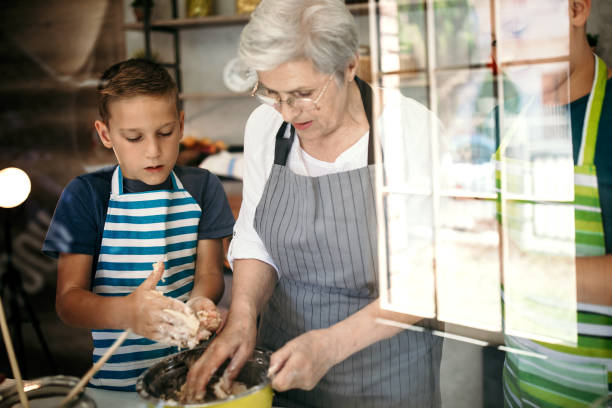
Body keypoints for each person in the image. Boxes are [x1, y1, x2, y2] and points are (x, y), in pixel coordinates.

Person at [182, 0, 443, 407]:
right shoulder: (265, 126)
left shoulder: (411, 130)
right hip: (279, 362)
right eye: (272, 93)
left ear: (350, 66)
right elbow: (254, 237)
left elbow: (439, 271)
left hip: (387, 371)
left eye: (303, 94)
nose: (287, 112)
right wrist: (243, 315)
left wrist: (332, 345)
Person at [42, 59, 235, 391]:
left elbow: (209, 274)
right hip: (118, 385)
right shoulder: (86, 196)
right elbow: (68, 301)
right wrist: (127, 313)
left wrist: (199, 304)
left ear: (182, 124)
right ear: (105, 134)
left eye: (165, 133)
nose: (153, 151)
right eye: (134, 137)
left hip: (191, 375)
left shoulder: (203, 187)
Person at [497, 1, 612, 406]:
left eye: (518, 29)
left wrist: (519, 267)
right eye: (497, 39)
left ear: (577, 9)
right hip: (518, 390)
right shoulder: (500, 122)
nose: (508, 56)